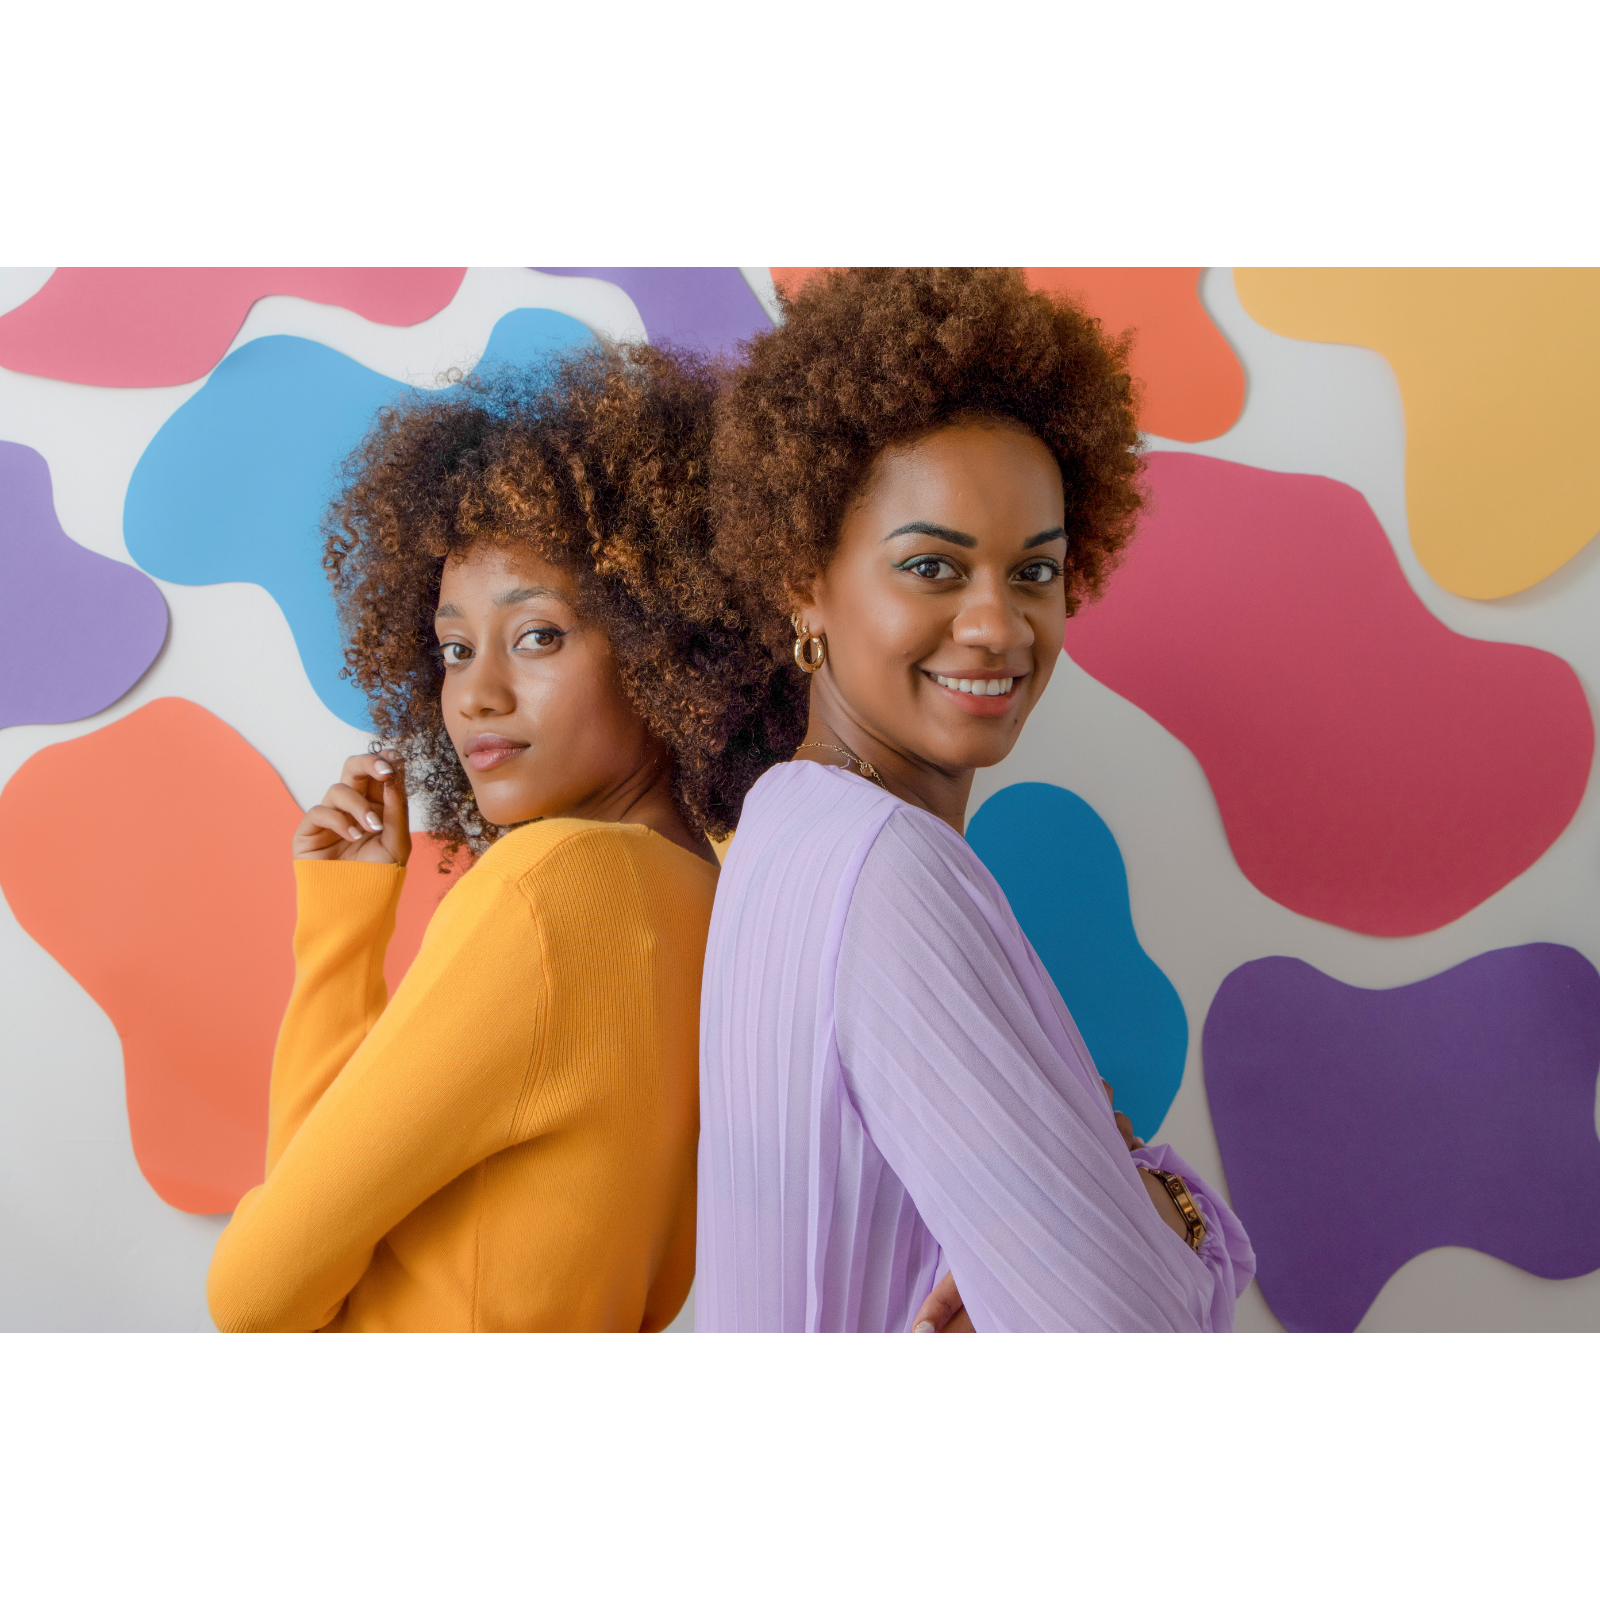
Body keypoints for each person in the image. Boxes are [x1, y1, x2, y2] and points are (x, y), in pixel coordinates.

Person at [697, 270, 1256, 1589]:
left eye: (1038, 572)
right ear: (804, 581)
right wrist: (1176, 1220)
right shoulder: (894, 872)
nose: (1000, 625)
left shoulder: (784, 832)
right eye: (932, 567)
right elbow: (1147, 1393)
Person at [207, 343, 794, 1593]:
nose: (475, 694)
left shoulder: (549, 891)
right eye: (451, 643)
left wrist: (231, 1486)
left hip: (388, 1511)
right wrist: (345, 927)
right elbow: (332, 1198)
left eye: (535, 635)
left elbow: (260, 1273)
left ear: (661, 639)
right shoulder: (726, 911)